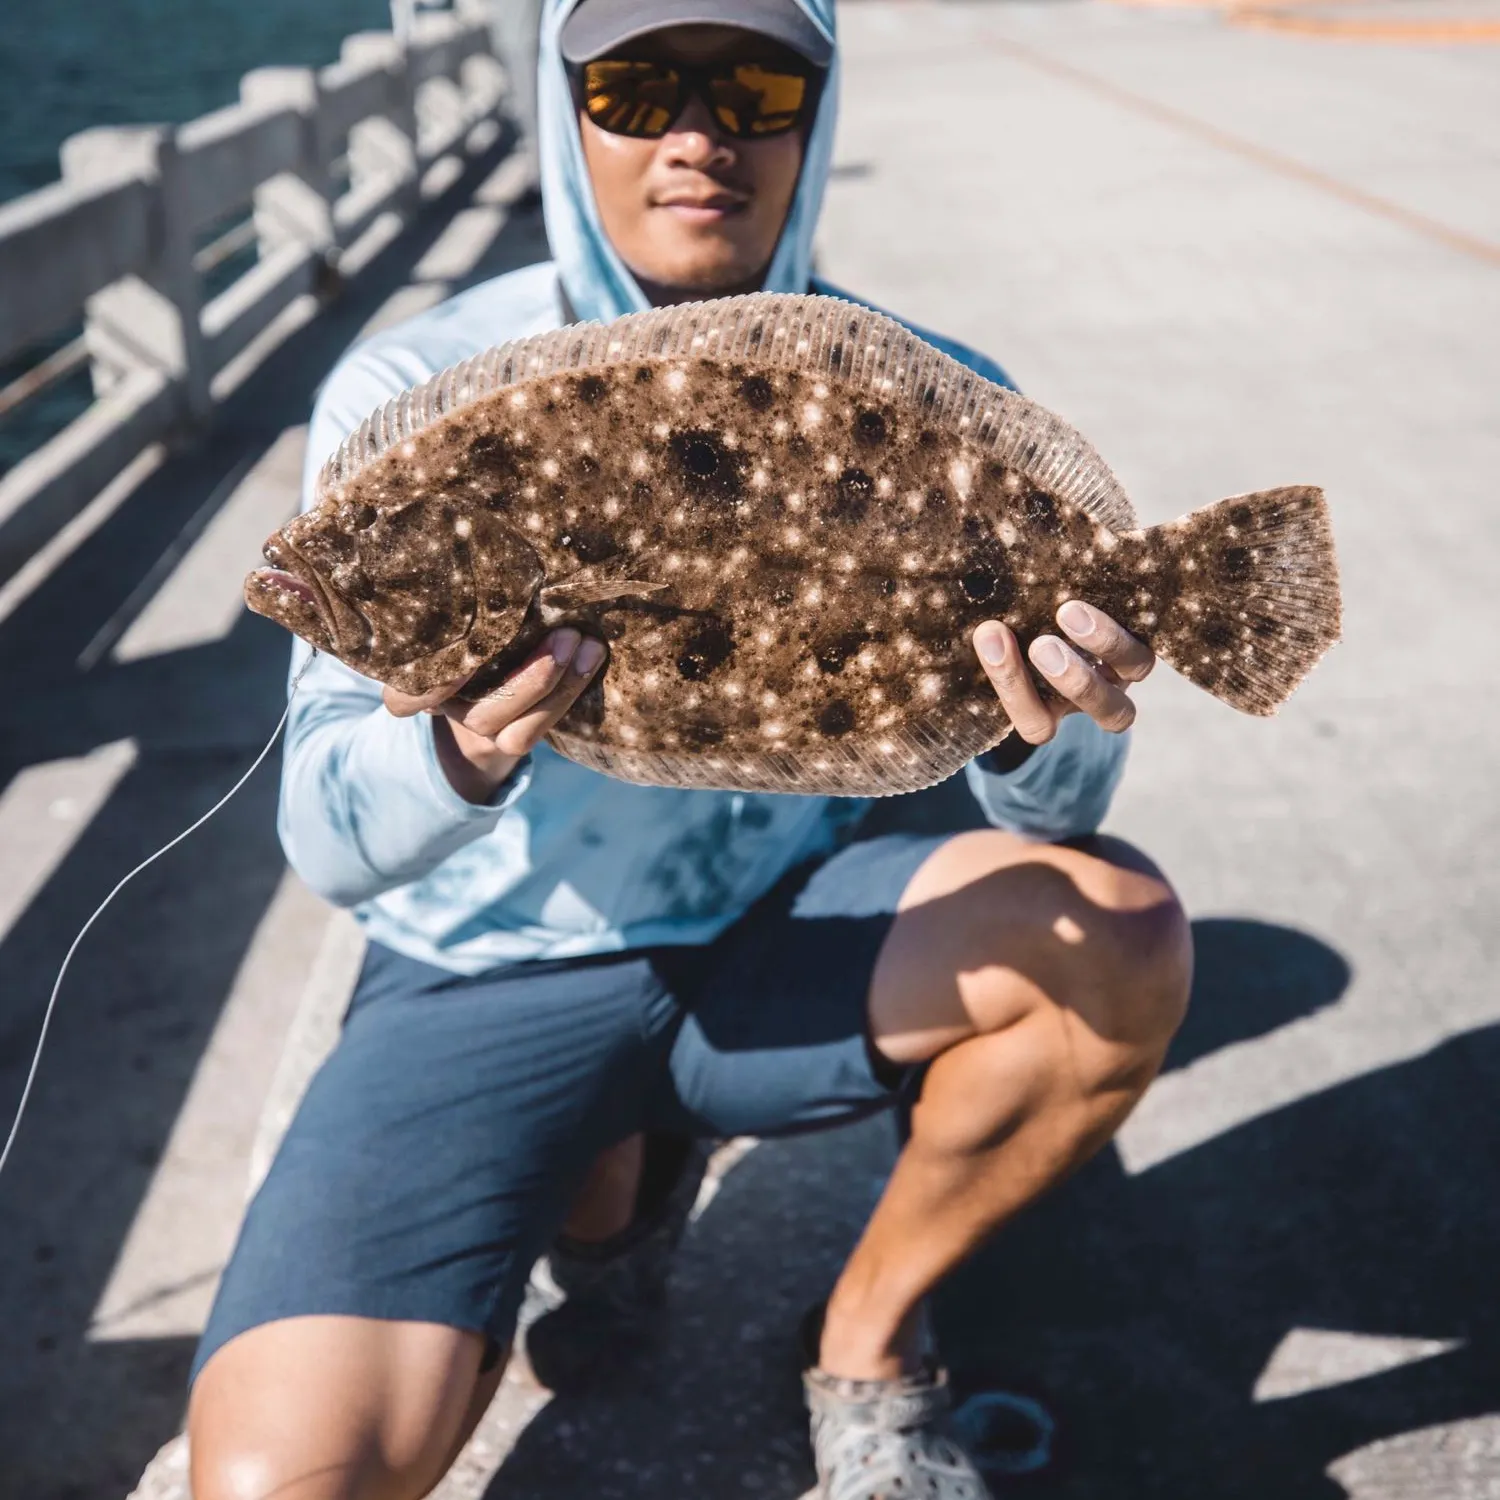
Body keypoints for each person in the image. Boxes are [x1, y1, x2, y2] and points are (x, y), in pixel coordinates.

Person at [188, 2, 1193, 1496]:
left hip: (788, 929)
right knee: (283, 1482)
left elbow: (1044, 807)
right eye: (638, 84)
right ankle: (616, 1202)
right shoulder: (418, 392)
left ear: (816, 113)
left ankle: (866, 1340)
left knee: (1120, 931)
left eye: (759, 85)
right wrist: (458, 755)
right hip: (485, 966)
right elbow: (328, 842)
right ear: (566, 101)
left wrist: (1058, 718)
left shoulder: (926, 388)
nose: (698, 134)